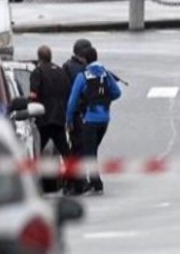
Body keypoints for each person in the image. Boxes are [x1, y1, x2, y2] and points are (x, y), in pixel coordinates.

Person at [65, 46, 121, 195]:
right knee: (92, 149)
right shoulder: (105, 73)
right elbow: (117, 92)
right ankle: (93, 182)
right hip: (105, 119)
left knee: (89, 152)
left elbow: (72, 101)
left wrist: (69, 119)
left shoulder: (83, 76)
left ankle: (96, 184)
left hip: (90, 119)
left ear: (84, 59)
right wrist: (105, 99)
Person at [29, 45, 73, 186]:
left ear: (39, 58)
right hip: (59, 118)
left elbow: (33, 95)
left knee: (36, 151)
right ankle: (75, 181)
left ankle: (30, 181)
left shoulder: (38, 72)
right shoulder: (61, 72)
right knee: (65, 152)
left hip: (44, 118)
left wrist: (30, 106)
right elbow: (68, 92)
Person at [62, 38, 91, 193]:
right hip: (80, 113)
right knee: (80, 149)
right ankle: (78, 183)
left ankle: (70, 182)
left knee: (74, 148)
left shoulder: (66, 66)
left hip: (72, 113)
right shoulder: (83, 70)